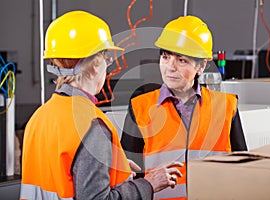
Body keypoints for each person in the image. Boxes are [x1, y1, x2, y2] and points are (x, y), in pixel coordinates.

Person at [20, 10, 183, 200]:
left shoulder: (39, 117)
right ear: (96, 65)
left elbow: (64, 172)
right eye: (107, 60)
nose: (107, 67)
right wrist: (148, 185)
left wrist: (107, 165)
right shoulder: (91, 125)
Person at [121, 15, 248, 200]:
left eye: (181, 60)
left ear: (201, 66)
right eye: (165, 57)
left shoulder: (227, 107)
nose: (170, 67)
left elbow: (244, 171)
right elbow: (128, 176)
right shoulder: (140, 108)